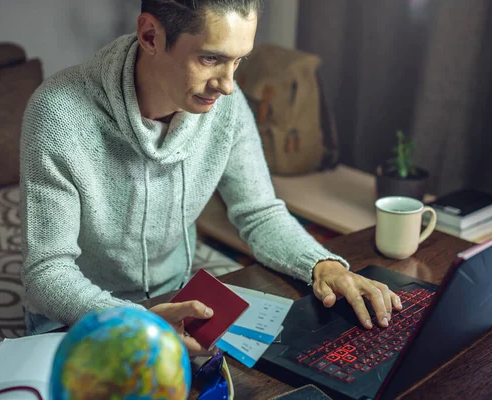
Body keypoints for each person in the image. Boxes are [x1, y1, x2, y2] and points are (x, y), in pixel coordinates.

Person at [20, 0, 401, 357]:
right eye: (210, 58)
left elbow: (259, 213)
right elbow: (47, 271)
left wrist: (324, 266)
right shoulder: (58, 113)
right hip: (74, 316)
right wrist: (136, 322)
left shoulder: (225, 106)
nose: (229, 85)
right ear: (150, 36)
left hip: (177, 295)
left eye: (238, 61)